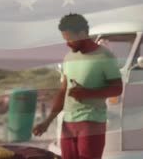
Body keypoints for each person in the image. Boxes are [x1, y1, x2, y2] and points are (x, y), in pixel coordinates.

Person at [32, 13, 123, 159]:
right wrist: (47, 121)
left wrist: (87, 93)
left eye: (69, 39)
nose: (67, 43)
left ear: (81, 34)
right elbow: (63, 90)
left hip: (91, 122)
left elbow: (117, 88)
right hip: (68, 122)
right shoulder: (69, 58)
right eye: (65, 39)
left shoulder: (104, 56)